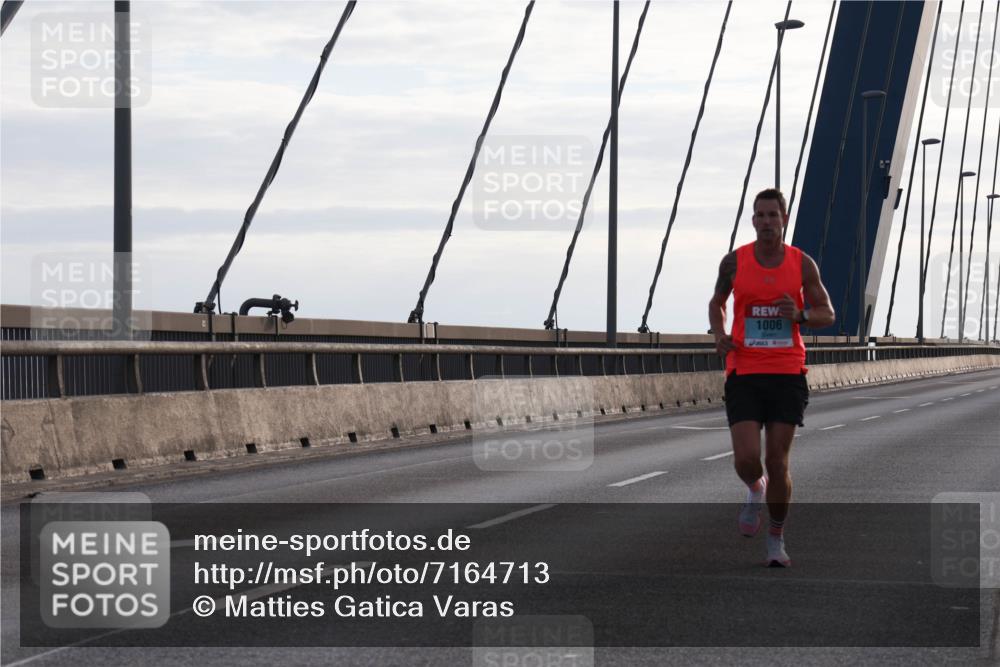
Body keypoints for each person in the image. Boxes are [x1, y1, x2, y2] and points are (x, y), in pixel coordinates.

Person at [707, 188, 835, 567]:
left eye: (772, 215)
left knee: (777, 461)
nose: (766, 222)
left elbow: (826, 313)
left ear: (784, 220)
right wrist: (719, 333)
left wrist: (800, 315)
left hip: (786, 372)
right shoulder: (734, 262)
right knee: (748, 460)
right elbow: (717, 302)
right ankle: (755, 489)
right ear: (753, 220)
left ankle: (776, 539)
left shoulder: (801, 264)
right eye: (760, 215)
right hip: (744, 370)